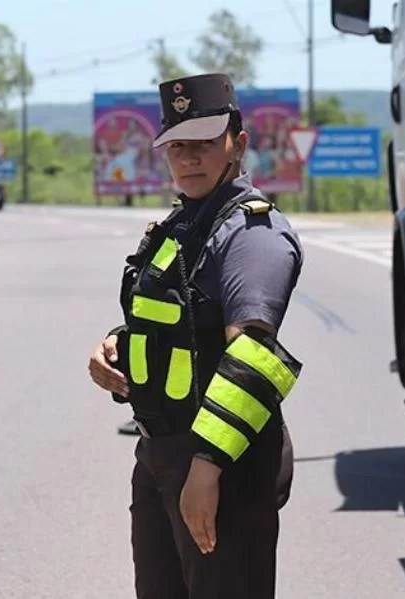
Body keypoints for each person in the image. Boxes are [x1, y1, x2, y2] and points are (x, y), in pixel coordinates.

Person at [88, 73, 304, 598]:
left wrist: (207, 468)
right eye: (176, 145)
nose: (188, 157)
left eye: (204, 143)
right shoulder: (182, 225)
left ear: (239, 143)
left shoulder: (252, 235)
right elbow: (173, 321)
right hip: (162, 456)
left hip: (222, 465)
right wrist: (117, 349)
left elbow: (253, 356)